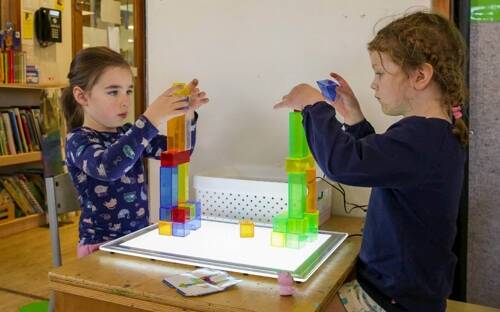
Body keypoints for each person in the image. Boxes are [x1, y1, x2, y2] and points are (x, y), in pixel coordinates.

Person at [274, 11, 467, 312]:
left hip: (391, 299)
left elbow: (342, 164)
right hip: (404, 292)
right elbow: (383, 164)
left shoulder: (421, 138)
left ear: (420, 76)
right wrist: (353, 116)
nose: (374, 84)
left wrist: (313, 105)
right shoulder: (433, 135)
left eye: (380, 73)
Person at [62, 47, 209, 258]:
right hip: (99, 249)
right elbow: (108, 168)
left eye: (128, 91)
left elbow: (180, 152)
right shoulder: (79, 140)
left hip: (136, 240)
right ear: (82, 96)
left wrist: (188, 115)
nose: (125, 101)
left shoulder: (127, 133)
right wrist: (149, 119)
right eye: (113, 92)